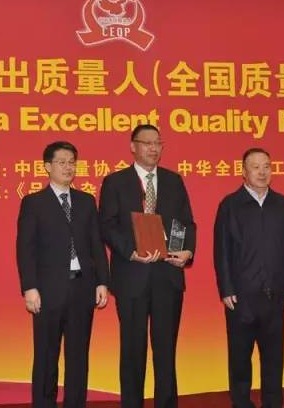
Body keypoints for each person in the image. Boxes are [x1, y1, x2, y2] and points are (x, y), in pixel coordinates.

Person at [99, 124, 196, 408]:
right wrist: (130, 252)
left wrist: (186, 250)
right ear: (133, 147)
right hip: (132, 276)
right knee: (133, 350)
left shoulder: (173, 181)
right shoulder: (115, 182)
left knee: (166, 350)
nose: (154, 148)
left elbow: (185, 222)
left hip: (167, 275)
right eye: (147, 143)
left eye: (158, 143)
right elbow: (107, 225)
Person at [16, 141, 109, 408]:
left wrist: (103, 281)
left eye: (71, 163)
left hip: (82, 288)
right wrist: (30, 287)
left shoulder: (86, 201)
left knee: (78, 356)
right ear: (47, 166)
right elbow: (25, 249)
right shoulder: (34, 203)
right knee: (46, 355)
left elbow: (96, 245)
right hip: (48, 291)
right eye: (61, 162)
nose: (68, 168)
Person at [213, 147, 284, 408]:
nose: (262, 172)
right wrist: (226, 288)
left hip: (275, 294)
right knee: (240, 358)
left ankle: (272, 403)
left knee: (274, 358)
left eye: (267, 167)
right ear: (243, 172)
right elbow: (222, 250)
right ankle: (241, 402)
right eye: (256, 167)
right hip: (241, 297)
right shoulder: (230, 205)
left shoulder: (283, 204)